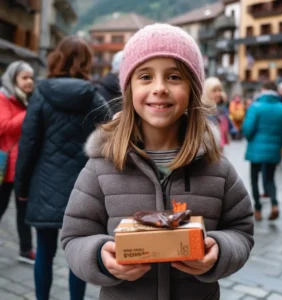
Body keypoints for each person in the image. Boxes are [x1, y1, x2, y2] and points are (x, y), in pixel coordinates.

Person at [60, 24, 254, 300]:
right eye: (146, 76)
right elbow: (73, 238)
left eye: (174, 76)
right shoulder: (101, 166)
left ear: (193, 89)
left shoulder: (216, 166)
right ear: (129, 89)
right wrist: (100, 258)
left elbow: (241, 230)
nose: (160, 88)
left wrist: (219, 251)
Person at [14, 36, 111, 300]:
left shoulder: (41, 94)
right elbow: (111, 136)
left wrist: (21, 187)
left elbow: (28, 143)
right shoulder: (93, 96)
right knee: (77, 254)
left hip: (44, 184)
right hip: (82, 188)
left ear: (58, 57)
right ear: (85, 62)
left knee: (44, 251)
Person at [242, 81, 282, 221]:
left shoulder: (255, 107)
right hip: (274, 150)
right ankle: (274, 204)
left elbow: (247, 129)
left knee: (254, 179)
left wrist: (251, 139)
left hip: (255, 149)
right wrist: (281, 142)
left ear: (263, 90)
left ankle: (257, 208)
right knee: (270, 179)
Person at [0, 61, 35, 264]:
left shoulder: (27, 100)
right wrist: (28, 113)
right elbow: (4, 126)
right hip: (4, 168)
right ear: (14, 79)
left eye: (31, 77)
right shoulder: (4, 98)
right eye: (24, 78)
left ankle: (25, 249)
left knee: (24, 211)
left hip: (22, 167)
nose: (29, 82)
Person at [202, 77, 232, 152]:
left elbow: (228, 123)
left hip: (220, 146)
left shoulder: (221, 108)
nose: (218, 93)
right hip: (208, 150)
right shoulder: (203, 110)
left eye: (219, 90)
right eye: (214, 91)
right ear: (206, 92)